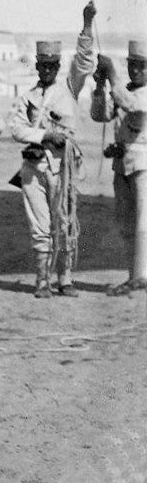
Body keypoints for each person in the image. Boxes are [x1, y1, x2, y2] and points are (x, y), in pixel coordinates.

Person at [9, 2, 96, 299]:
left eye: (52, 66)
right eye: (42, 65)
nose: (47, 70)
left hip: (63, 168)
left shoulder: (68, 89)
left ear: (58, 67)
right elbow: (16, 129)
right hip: (33, 169)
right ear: (36, 66)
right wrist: (45, 135)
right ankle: (42, 280)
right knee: (41, 226)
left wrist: (86, 24)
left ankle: (65, 279)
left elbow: (84, 61)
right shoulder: (27, 97)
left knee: (65, 221)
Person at [92, 39, 147, 296]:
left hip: (143, 166)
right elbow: (100, 115)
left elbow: (131, 105)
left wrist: (112, 74)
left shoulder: (139, 94)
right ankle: (134, 275)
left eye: (143, 66)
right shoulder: (122, 89)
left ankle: (140, 276)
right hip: (122, 165)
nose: (137, 71)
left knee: (142, 224)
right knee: (126, 223)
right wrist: (100, 84)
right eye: (133, 65)